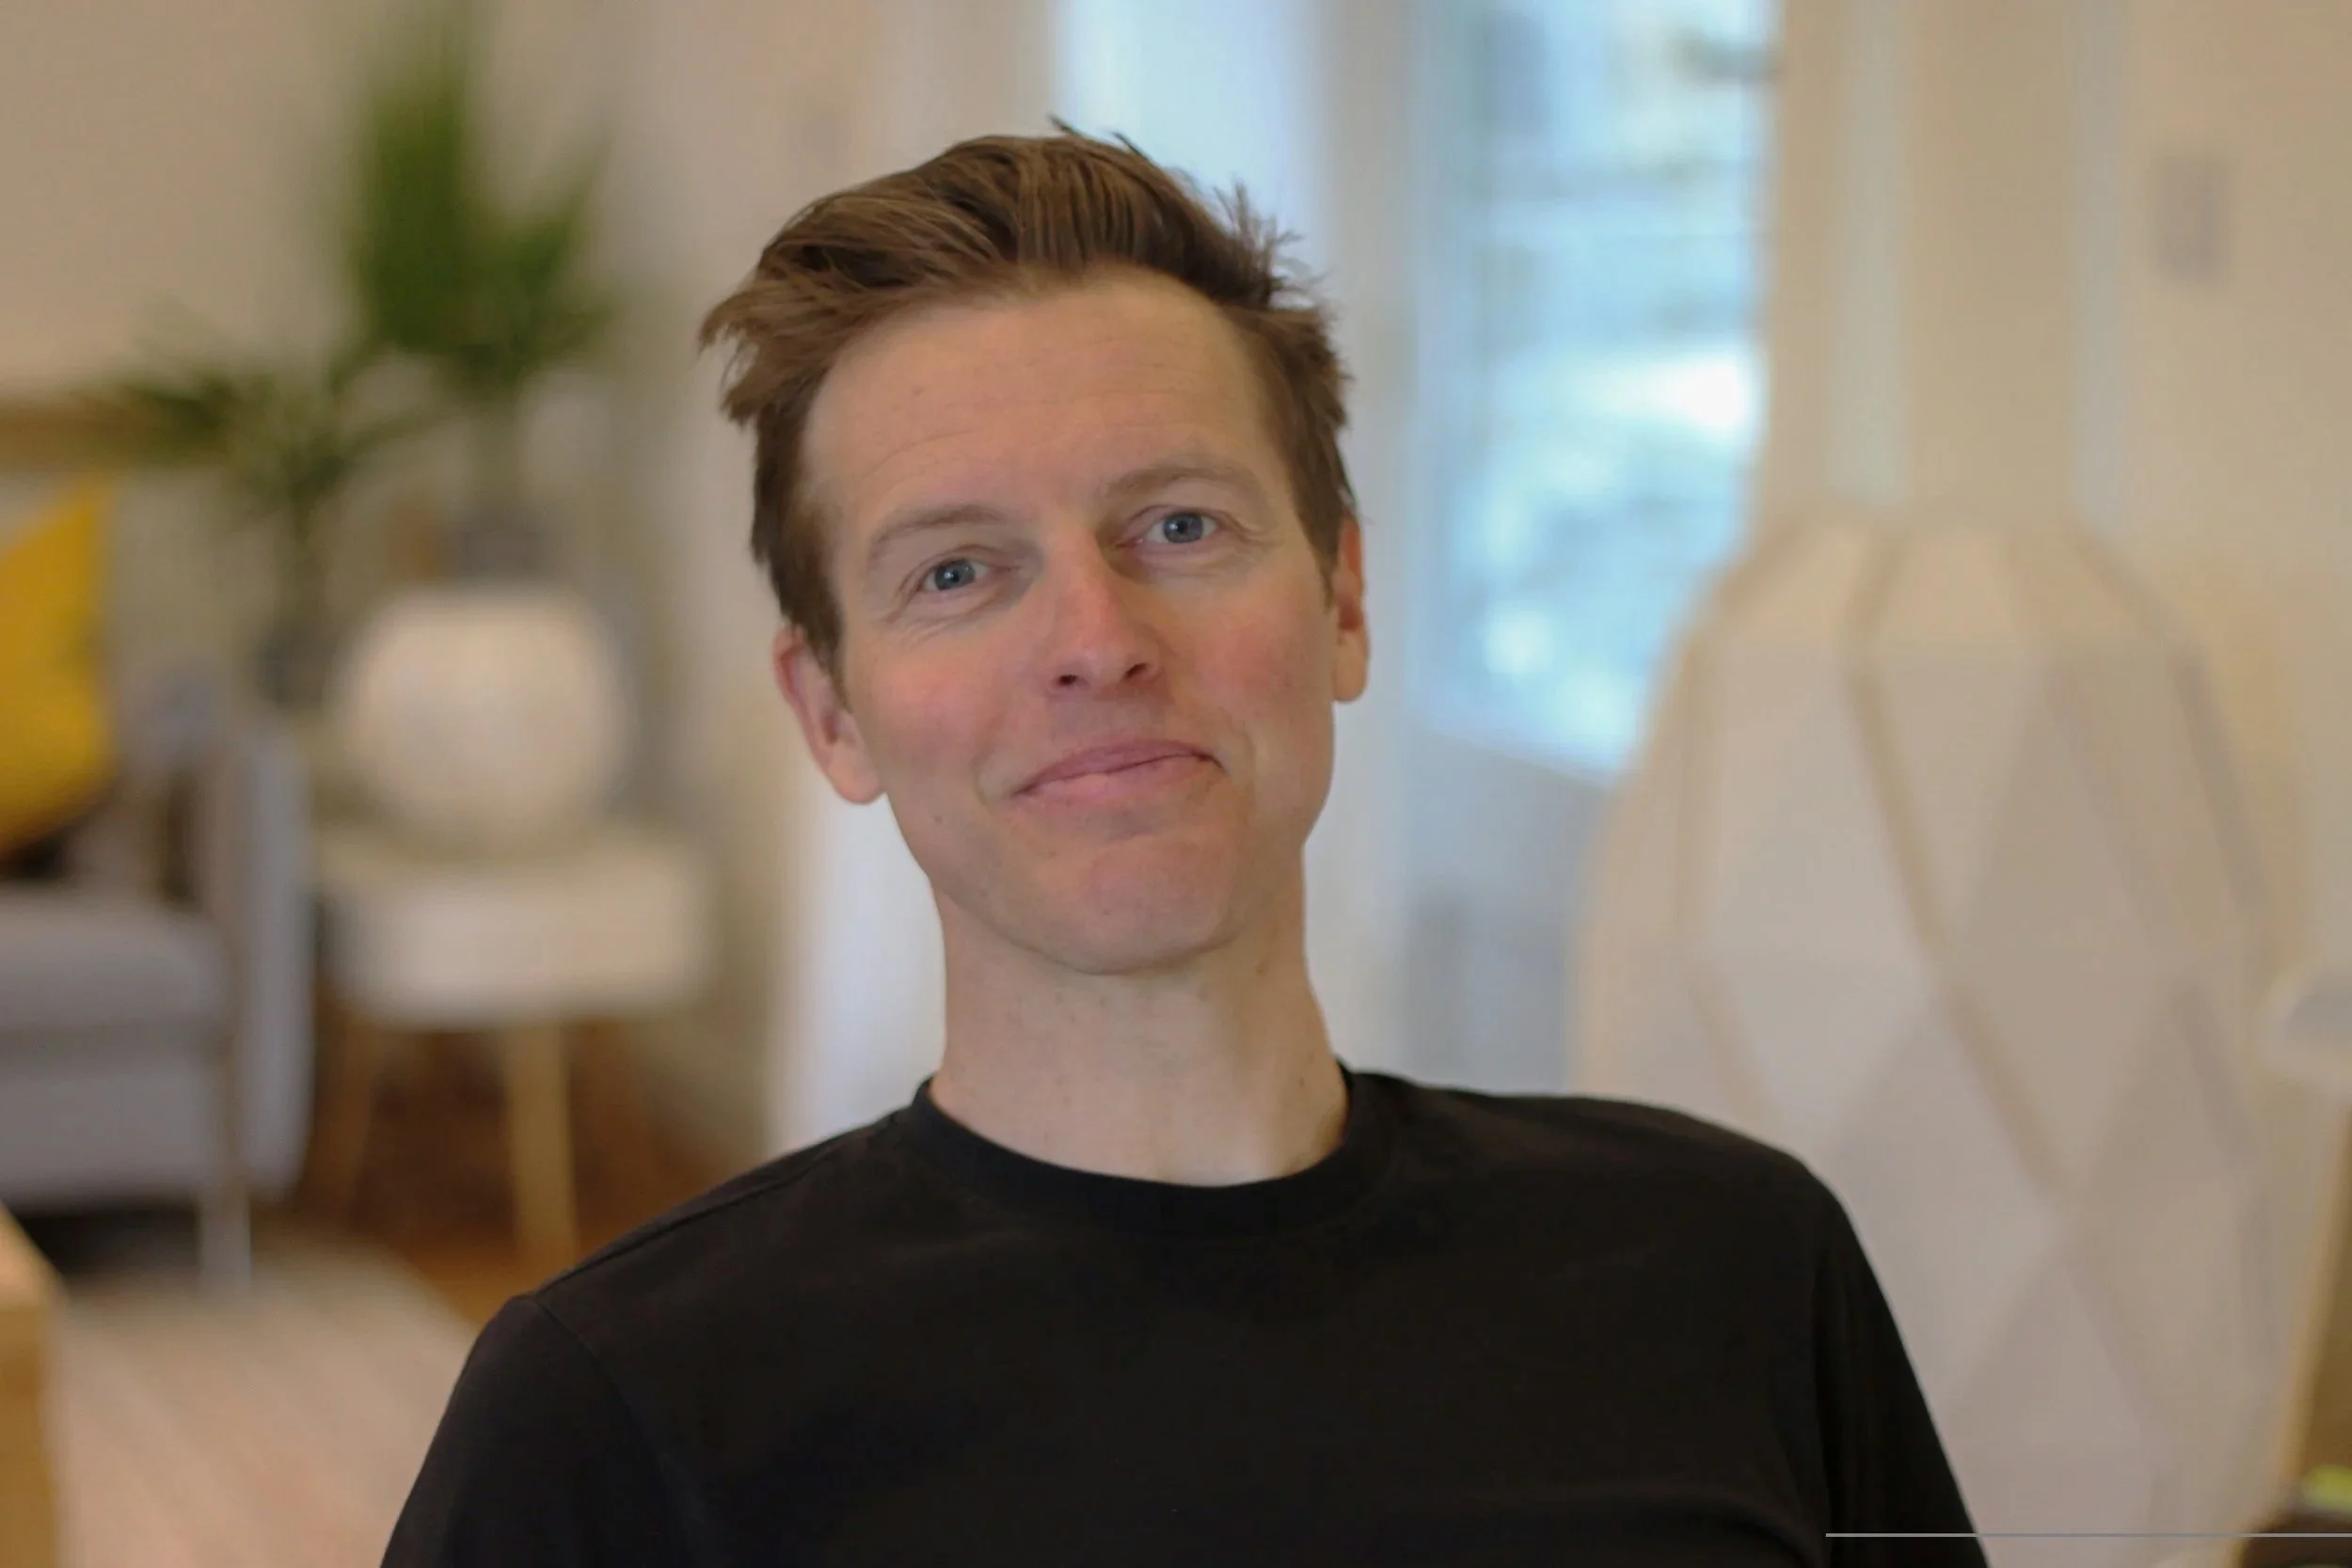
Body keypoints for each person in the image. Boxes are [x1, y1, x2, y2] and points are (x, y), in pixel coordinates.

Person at [382, 127, 1986, 1567]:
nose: (1098, 639)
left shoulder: (1735, 1267)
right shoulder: (615, 1413)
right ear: (834, 713)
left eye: (1178, 527)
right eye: (956, 572)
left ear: (1343, 600)